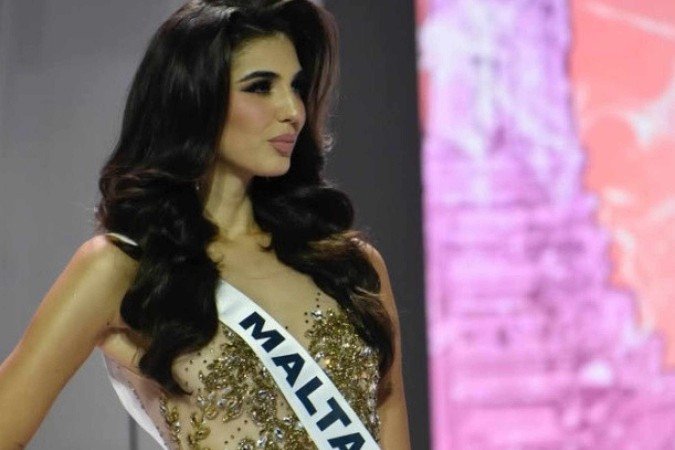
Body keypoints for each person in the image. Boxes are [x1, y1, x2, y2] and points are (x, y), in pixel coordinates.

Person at [0, 0, 411, 448]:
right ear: (195, 99)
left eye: (296, 86)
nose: (292, 109)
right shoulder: (125, 269)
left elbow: (388, 408)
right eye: (260, 87)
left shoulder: (350, 267)